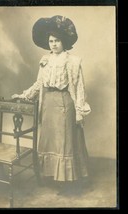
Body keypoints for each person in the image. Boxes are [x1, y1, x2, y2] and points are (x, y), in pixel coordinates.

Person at [12, 15, 91, 194]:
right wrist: (24, 95)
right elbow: (39, 84)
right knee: (50, 142)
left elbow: (79, 87)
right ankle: (53, 177)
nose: (54, 44)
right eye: (51, 41)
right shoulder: (45, 60)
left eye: (57, 40)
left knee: (66, 143)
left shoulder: (72, 61)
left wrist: (79, 110)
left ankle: (68, 182)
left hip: (64, 104)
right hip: (47, 104)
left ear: (64, 41)